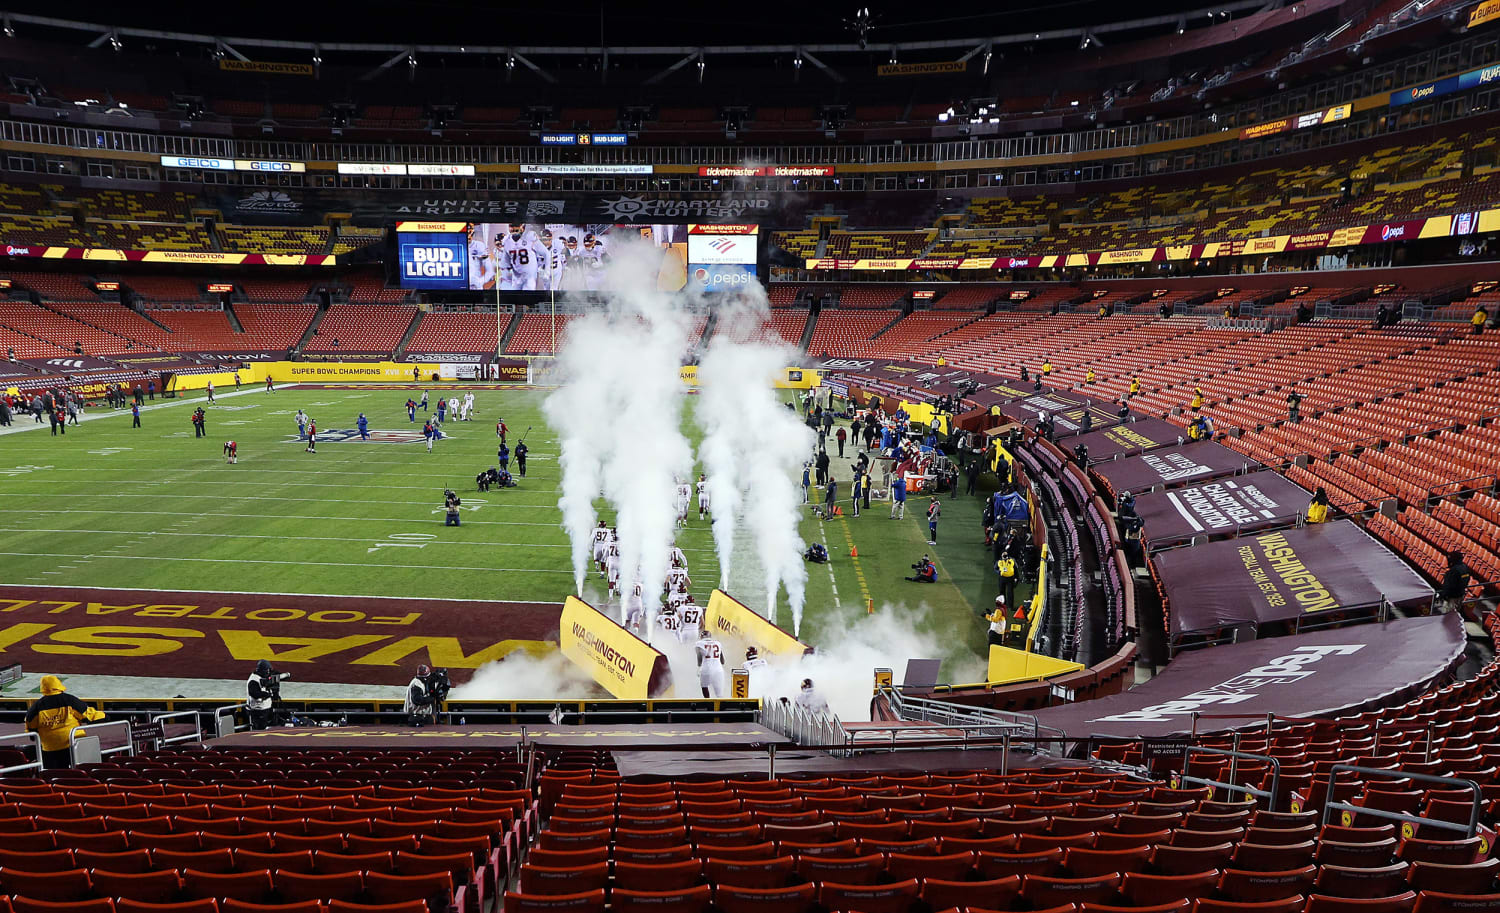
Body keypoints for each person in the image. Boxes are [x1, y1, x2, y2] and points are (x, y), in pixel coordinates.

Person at [25, 676, 104, 769]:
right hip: (73, 744)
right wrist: (105, 716)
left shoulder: (36, 707)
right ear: (58, 684)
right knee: (82, 769)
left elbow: (30, 727)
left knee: (54, 773)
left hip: (49, 748)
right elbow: (89, 714)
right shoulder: (69, 700)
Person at [246, 660, 280, 730]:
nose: (268, 673)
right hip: (257, 710)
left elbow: (274, 678)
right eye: (267, 671)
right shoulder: (254, 680)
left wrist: (274, 692)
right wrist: (267, 694)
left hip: (266, 708)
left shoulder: (263, 676)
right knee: (260, 730)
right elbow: (254, 693)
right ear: (262, 670)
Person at [695, 631, 726, 698]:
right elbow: (723, 661)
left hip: (706, 669)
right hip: (718, 670)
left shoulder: (699, 644)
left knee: (704, 686)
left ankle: (708, 703)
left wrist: (699, 667)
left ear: (701, 637)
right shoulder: (718, 643)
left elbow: (699, 658)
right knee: (719, 694)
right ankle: (720, 707)